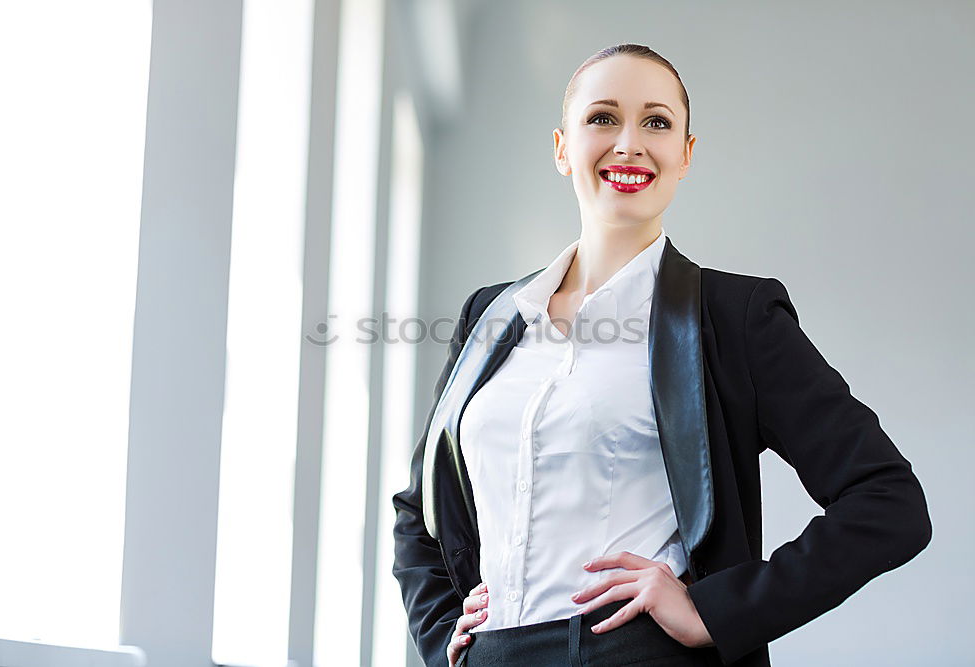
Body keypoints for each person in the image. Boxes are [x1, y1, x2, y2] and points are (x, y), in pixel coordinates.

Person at [391, 43, 932, 667]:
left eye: (656, 122)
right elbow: (419, 509)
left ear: (685, 154)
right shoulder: (489, 317)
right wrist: (442, 635)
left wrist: (716, 609)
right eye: (601, 119)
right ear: (563, 148)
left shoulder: (733, 319)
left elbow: (889, 501)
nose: (628, 143)